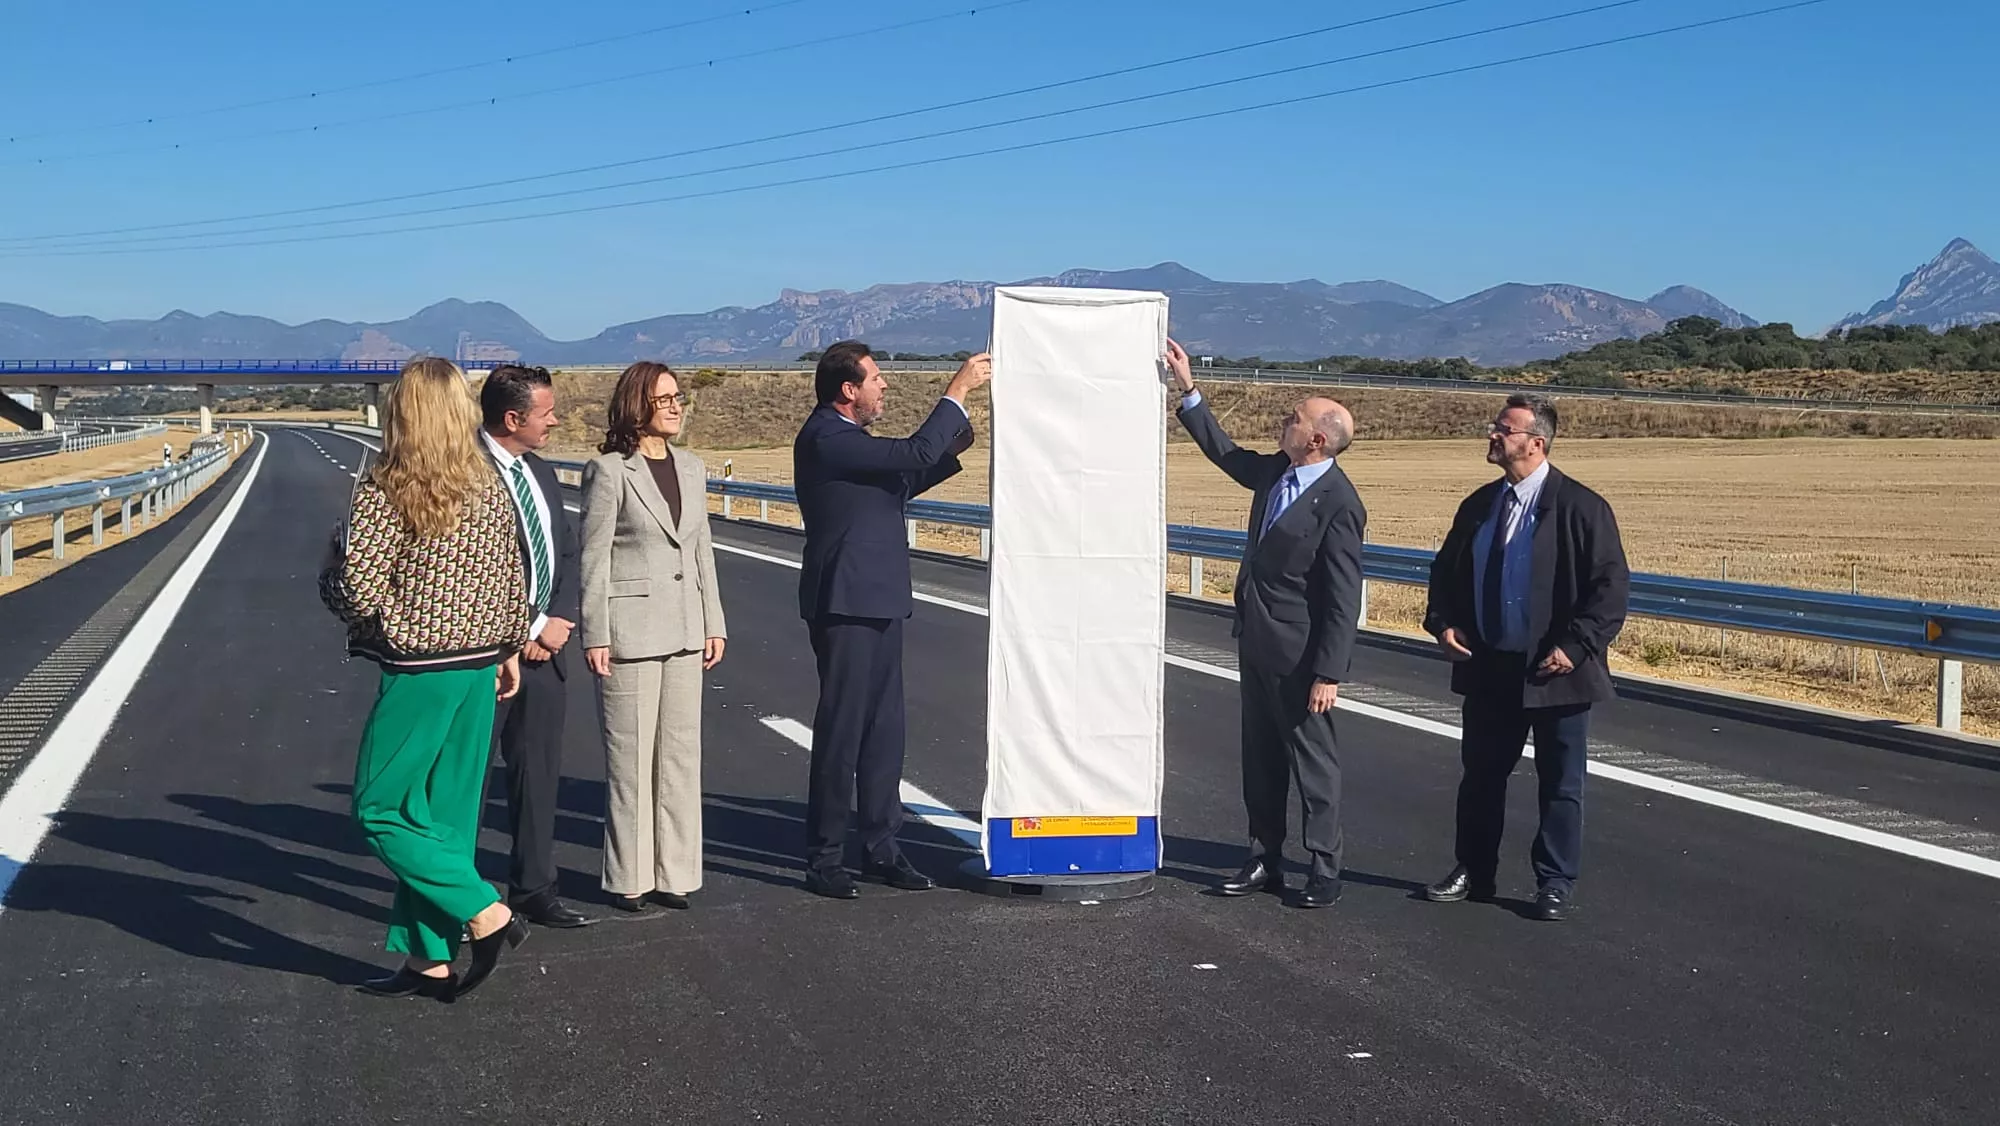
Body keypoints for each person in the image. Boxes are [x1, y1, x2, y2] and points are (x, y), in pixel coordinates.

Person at [318, 355, 530, 1000]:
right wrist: (509, 647)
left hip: (421, 670)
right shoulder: (488, 479)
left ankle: (485, 911)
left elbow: (358, 588)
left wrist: (329, 567)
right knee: (445, 818)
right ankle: (428, 959)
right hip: (479, 666)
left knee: (379, 809)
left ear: (401, 412)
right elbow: (512, 570)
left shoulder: (389, 484)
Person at [1164, 339, 1365, 909]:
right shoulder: (1278, 472)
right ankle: (1264, 856)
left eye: (1295, 419)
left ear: (1318, 440)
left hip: (1302, 656)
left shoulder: (1339, 502)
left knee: (1313, 763)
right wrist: (1188, 389)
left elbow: (1341, 596)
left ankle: (1325, 865)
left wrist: (1329, 672)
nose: (1286, 421)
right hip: (1256, 642)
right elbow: (1228, 455)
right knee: (1261, 758)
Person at [1421, 393, 1630, 922]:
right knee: (1481, 777)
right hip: (1490, 666)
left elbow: (1609, 591)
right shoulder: (1479, 506)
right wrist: (1443, 624)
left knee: (1561, 783)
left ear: (1536, 443)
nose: (1493, 435)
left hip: (1556, 672)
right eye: (1495, 426)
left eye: (1504, 429)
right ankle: (1473, 870)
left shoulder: (1582, 507)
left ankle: (1554, 882)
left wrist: (1577, 645)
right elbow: (1443, 576)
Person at [793, 341, 985, 899]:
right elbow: (911, 454)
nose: (884, 386)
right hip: (845, 602)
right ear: (847, 390)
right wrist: (958, 390)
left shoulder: (852, 444)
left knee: (884, 733)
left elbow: (901, 481)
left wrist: (950, 444)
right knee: (843, 731)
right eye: (875, 378)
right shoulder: (828, 436)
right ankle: (825, 856)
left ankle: (882, 847)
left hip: (879, 599)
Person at [578, 362, 726, 913]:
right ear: (636, 405)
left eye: (678, 397)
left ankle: (676, 874)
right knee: (630, 761)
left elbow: (701, 550)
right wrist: (596, 633)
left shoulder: (692, 467)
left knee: (681, 760)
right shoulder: (610, 470)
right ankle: (628, 877)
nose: (675, 406)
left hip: (687, 630)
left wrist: (715, 622)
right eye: (663, 398)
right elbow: (593, 558)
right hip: (631, 634)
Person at [477, 363, 592, 930]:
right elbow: (472, 570)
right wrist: (525, 630)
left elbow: (566, 551)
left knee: (538, 773)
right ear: (513, 417)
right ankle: (465, 901)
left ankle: (534, 887)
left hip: (550, 649)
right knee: (467, 784)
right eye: (546, 413)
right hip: (486, 657)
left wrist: (560, 620)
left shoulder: (540, 473)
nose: (555, 421)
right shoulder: (468, 474)